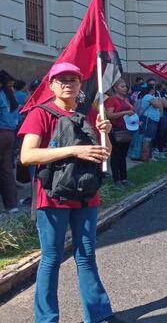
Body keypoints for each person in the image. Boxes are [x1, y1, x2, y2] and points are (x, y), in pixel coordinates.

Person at [18, 62, 119, 323]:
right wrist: (74, 150)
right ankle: (46, 319)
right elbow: (27, 155)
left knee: (86, 256)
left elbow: (104, 154)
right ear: (51, 85)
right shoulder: (40, 114)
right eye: (61, 80)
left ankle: (98, 315)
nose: (67, 84)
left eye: (73, 79)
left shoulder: (90, 113)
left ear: (80, 85)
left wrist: (105, 134)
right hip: (53, 196)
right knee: (51, 259)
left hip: (86, 193)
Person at [104, 79, 133, 186]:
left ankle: (124, 178)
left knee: (123, 155)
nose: (125, 88)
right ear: (115, 88)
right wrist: (125, 112)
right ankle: (117, 179)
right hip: (116, 131)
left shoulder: (126, 99)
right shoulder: (112, 100)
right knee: (116, 156)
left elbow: (131, 112)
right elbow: (110, 115)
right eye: (122, 86)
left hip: (126, 129)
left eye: (125, 86)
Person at [0, 70, 20, 213]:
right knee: (6, 171)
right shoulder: (11, 96)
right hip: (10, 135)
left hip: (1, 133)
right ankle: (12, 206)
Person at [138, 81, 166, 161]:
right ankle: (146, 157)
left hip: (154, 119)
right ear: (150, 90)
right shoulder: (148, 96)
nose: (155, 90)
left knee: (150, 138)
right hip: (148, 119)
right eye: (153, 89)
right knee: (147, 138)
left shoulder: (152, 97)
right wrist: (159, 100)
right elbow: (158, 105)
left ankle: (149, 155)